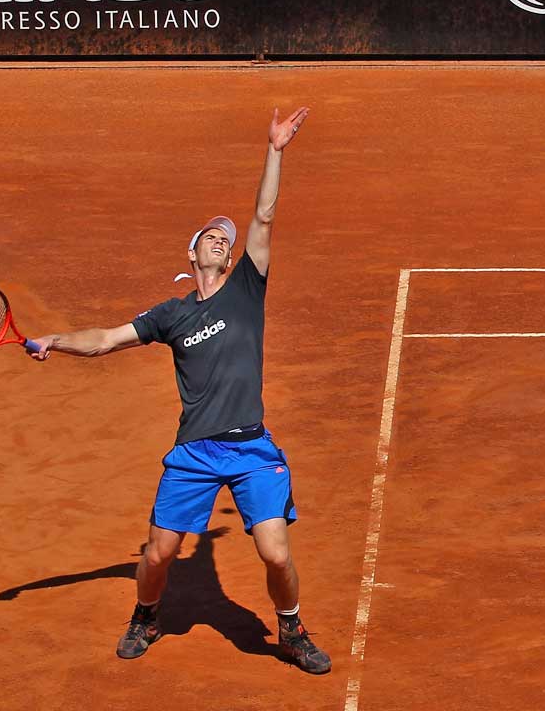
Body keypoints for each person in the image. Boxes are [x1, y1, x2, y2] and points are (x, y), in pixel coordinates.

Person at [28, 107, 330, 674]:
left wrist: (276, 149)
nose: (222, 240)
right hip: (193, 453)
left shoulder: (246, 285)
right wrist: (56, 339)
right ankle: (145, 613)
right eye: (211, 238)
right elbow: (105, 340)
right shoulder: (171, 314)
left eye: (225, 239)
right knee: (158, 554)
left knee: (275, 551)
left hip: (251, 448)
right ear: (192, 255)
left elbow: (263, 216)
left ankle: (290, 627)